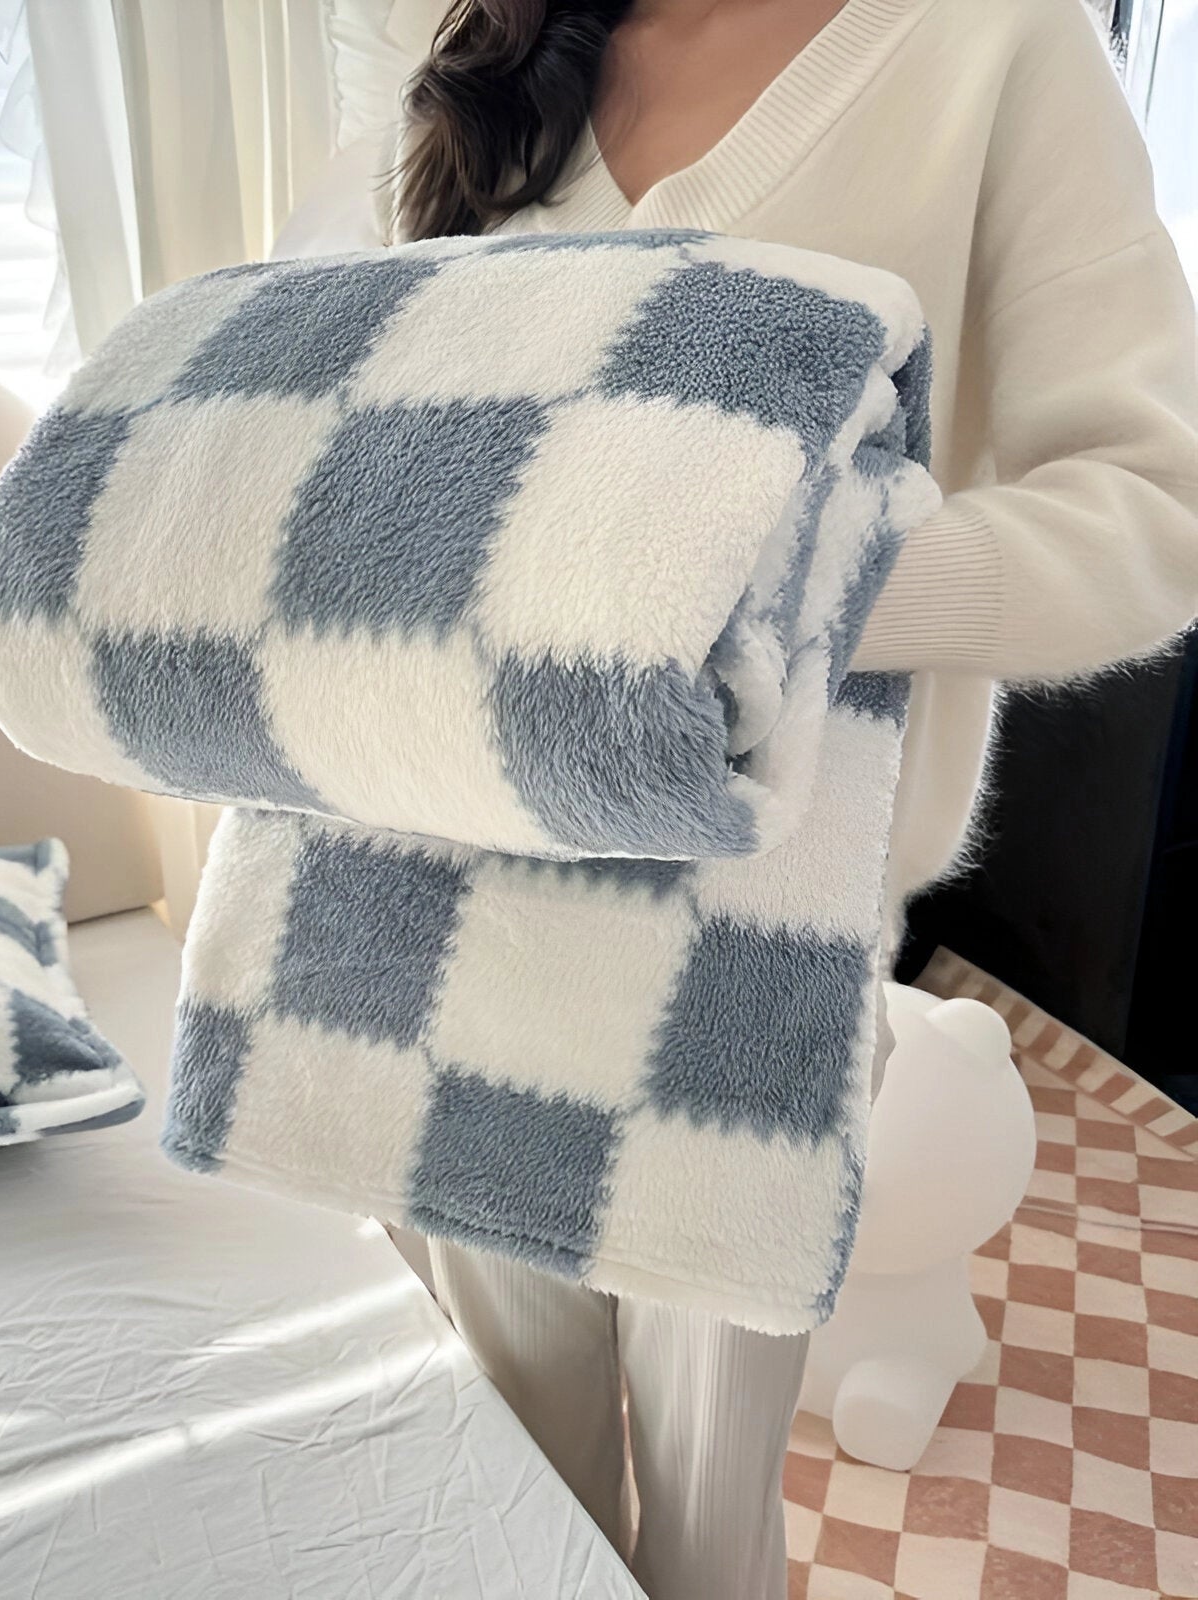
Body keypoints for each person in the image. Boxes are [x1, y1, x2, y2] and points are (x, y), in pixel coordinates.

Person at [289, 1, 1198, 1595]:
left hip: (757, 942)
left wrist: (781, 593)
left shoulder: (988, 46)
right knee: (512, 1483)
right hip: (444, 891)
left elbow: (1151, 514)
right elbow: (358, 434)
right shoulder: (491, 50)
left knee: (711, 1524)